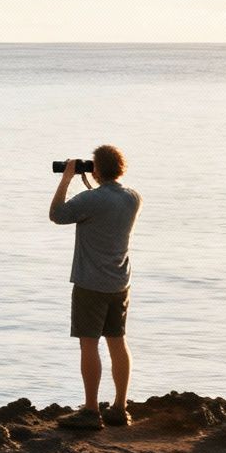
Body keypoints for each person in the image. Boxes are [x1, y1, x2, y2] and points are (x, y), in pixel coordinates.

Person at [48, 144, 140, 430]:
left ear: (96, 168)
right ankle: (119, 408)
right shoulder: (133, 197)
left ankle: (90, 410)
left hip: (91, 283)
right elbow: (102, 202)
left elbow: (57, 214)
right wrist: (91, 180)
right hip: (118, 282)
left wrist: (67, 177)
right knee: (117, 341)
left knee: (89, 344)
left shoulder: (91, 199)